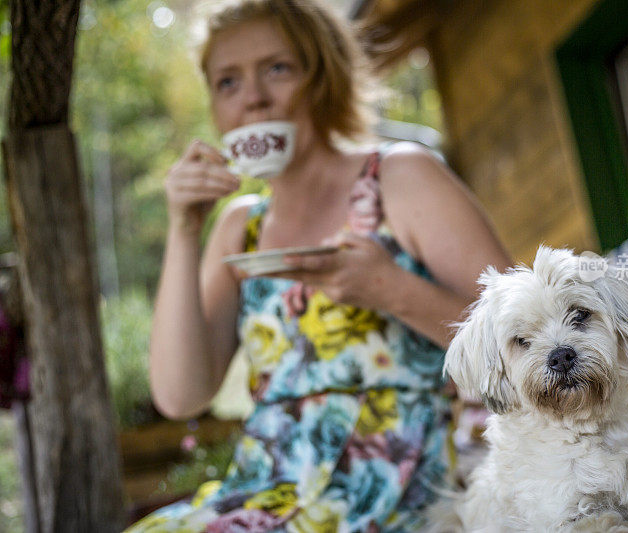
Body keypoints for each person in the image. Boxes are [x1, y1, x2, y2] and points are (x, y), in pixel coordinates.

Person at [127, 0, 511, 531]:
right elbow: (180, 393)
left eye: (277, 69)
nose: (254, 98)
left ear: (323, 77)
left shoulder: (398, 178)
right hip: (267, 492)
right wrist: (184, 229)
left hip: (398, 484)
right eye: (227, 83)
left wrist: (392, 290)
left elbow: (528, 334)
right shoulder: (241, 227)